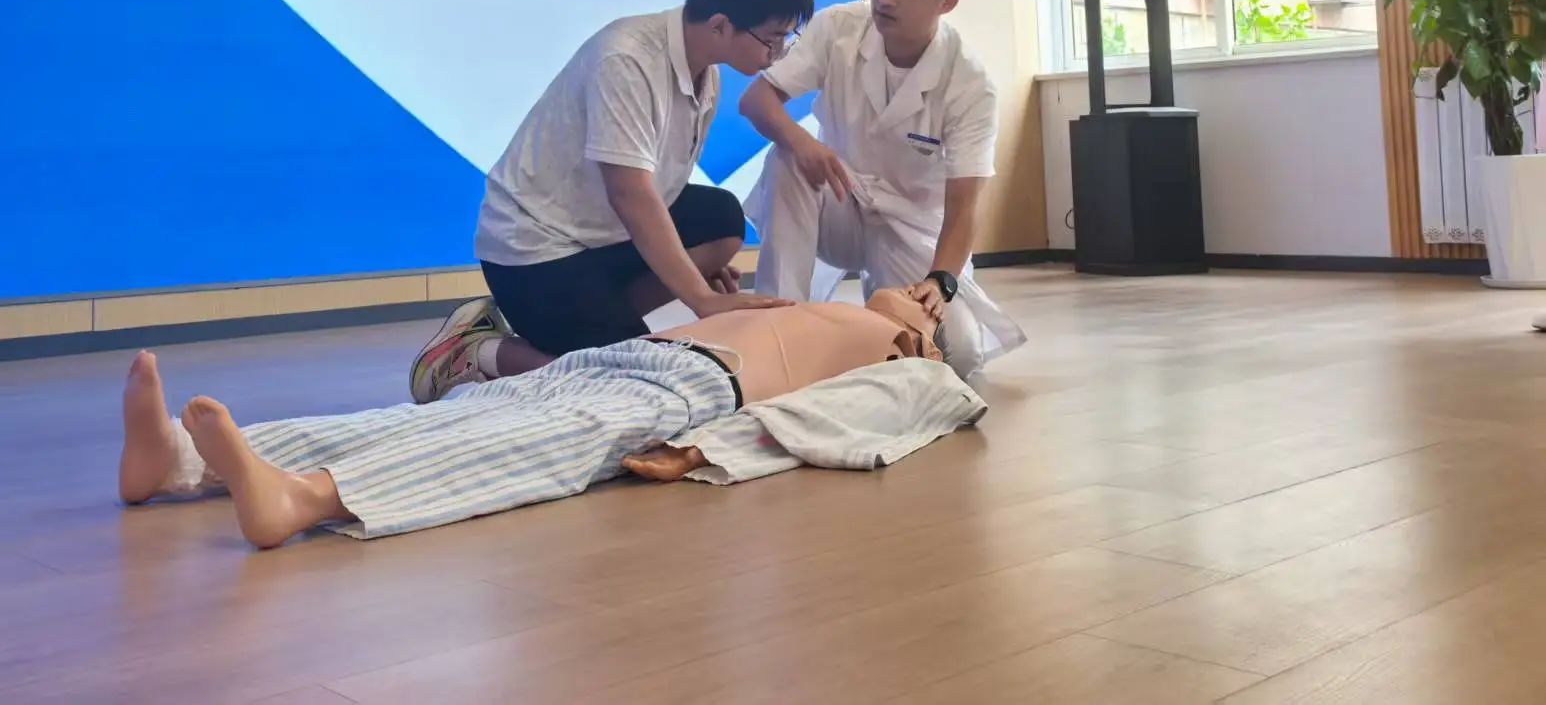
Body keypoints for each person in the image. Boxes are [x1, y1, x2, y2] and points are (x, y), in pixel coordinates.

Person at [115, 282, 952, 549]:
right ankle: (184, 457)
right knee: (450, 412)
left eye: (927, 299)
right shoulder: (822, 302)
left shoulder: (905, 360)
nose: (917, 289)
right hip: (630, 354)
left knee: (522, 438)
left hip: (690, 391)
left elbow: (854, 418)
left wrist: (709, 451)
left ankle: (306, 497)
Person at [410, 0, 813, 404]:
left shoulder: (708, 73)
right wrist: (701, 299)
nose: (778, 53)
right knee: (632, 381)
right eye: (772, 39)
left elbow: (660, 189)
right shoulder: (626, 58)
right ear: (721, 25)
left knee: (722, 219)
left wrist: (695, 275)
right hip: (536, 251)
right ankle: (478, 351)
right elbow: (630, 194)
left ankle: (591, 324)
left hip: (599, 236)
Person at [739, 0, 1026, 382]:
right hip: (839, 202)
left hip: (911, 229)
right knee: (789, 156)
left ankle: (863, 335)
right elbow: (757, 100)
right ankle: (779, 325)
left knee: (958, 356)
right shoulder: (839, 27)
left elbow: (964, 206)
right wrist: (804, 142)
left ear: (946, 1)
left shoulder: (970, 83)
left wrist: (941, 280)